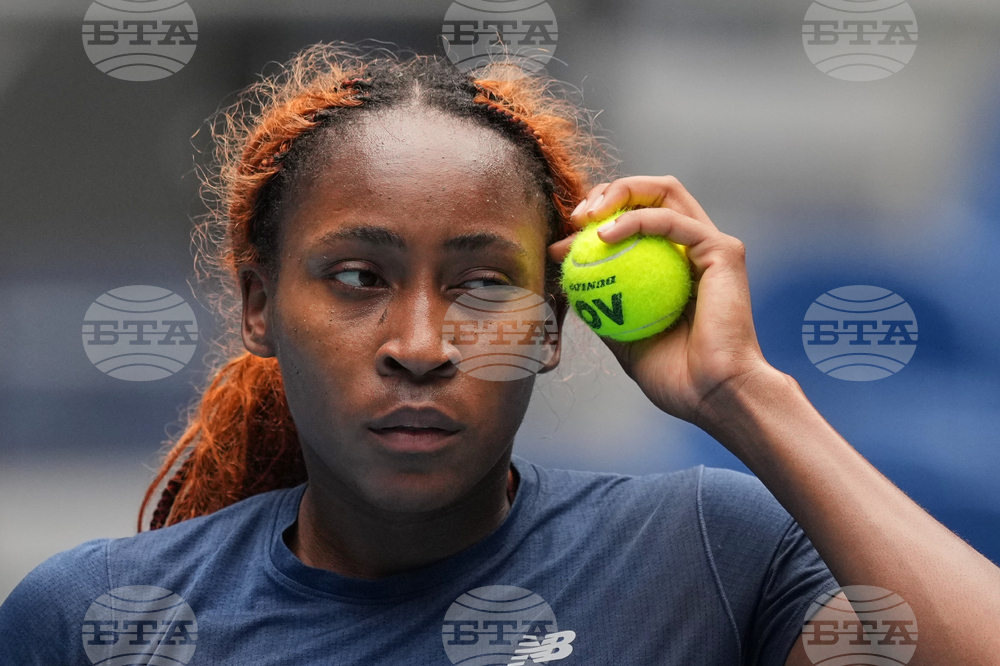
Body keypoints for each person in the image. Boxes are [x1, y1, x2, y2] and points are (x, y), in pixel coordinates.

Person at [1, 42, 998, 666]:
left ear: (554, 326)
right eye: (356, 278)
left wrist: (743, 393)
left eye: (484, 284)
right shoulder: (97, 615)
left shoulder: (704, 552)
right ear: (259, 305)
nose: (423, 346)